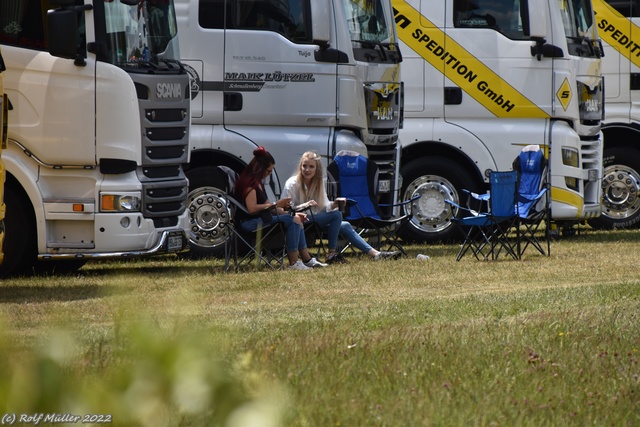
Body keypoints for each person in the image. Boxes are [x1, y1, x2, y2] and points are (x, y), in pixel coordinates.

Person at [281, 151, 401, 264]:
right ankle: (332, 253)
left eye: (311, 167)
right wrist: (304, 206)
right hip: (298, 221)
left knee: (345, 225)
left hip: (315, 219)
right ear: (300, 167)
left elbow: (324, 206)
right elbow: (285, 209)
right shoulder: (292, 184)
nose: (307, 170)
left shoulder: (318, 183)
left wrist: (334, 204)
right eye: (304, 166)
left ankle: (376, 254)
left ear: (317, 169)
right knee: (337, 215)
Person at [234, 146, 327, 270]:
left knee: (294, 218)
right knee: (292, 220)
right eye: (268, 171)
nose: (269, 174)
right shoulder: (250, 184)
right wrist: (277, 204)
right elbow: (252, 208)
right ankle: (294, 263)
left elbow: (270, 208)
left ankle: (307, 259)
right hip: (249, 224)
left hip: (260, 220)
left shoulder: (258, 184)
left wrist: (290, 213)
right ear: (259, 169)